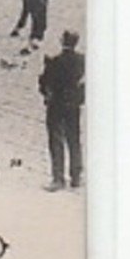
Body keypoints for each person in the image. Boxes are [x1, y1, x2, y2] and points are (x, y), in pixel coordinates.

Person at [38, 30, 84, 191]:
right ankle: (76, 176)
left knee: (56, 139)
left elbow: (44, 83)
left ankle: (58, 178)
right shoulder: (82, 61)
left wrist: (46, 92)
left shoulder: (54, 62)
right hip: (73, 105)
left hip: (56, 104)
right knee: (74, 138)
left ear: (62, 41)